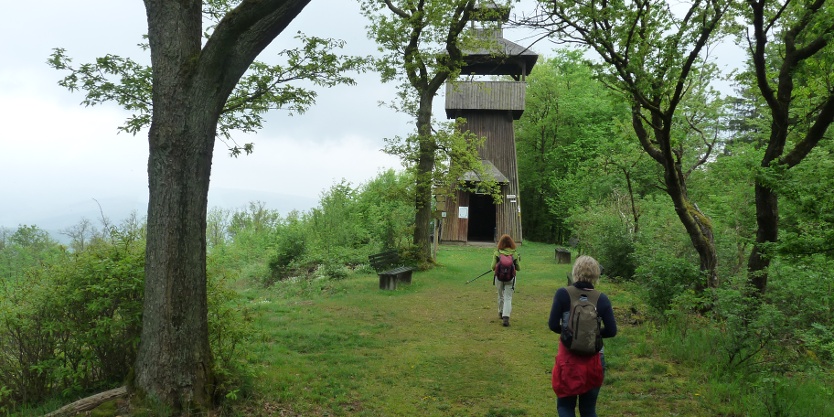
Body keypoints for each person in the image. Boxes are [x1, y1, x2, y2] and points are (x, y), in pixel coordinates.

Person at [548, 255, 617, 417]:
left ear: (575, 271)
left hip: (568, 360)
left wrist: (570, 335)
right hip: (594, 361)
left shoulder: (563, 294)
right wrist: (591, 335)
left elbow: (552, 325)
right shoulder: (602, 299)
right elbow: (612, 331)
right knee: (588, 409)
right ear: (596, 274)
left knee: (565, 407)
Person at [491, 234, 520, 327]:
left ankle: (500, 312)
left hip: (499, 278)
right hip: (510, 278)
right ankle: (506, 317)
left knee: (500, 296)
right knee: (508, 297)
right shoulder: (514, 254)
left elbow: (492, 267)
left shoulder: (497, 253)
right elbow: (518, 268)